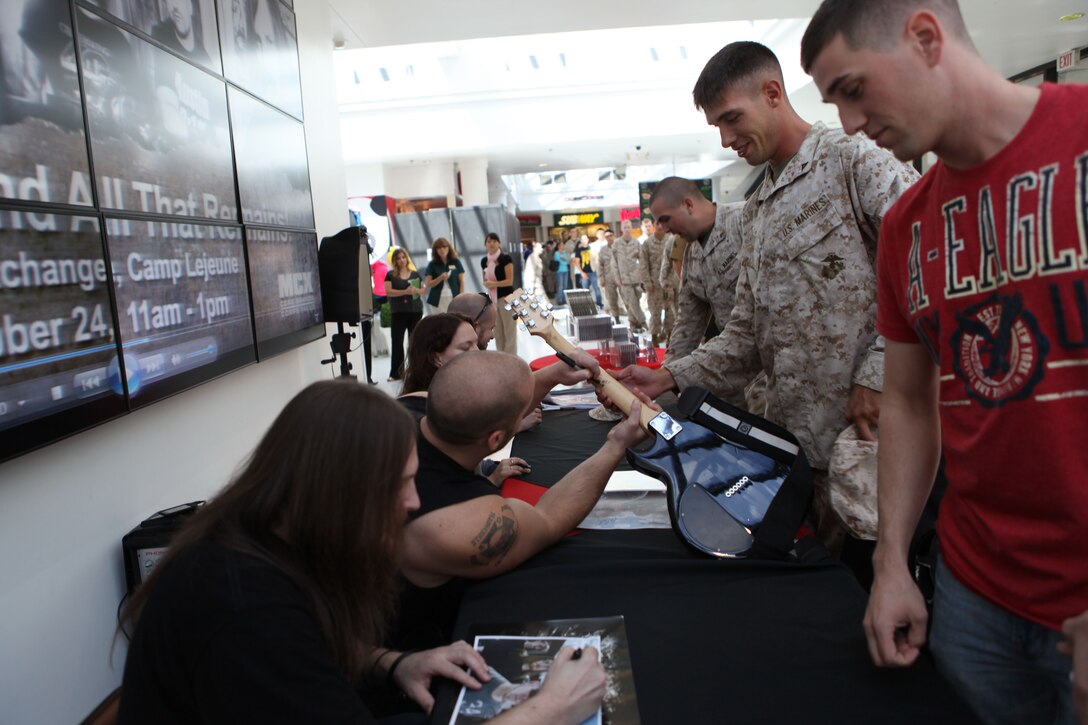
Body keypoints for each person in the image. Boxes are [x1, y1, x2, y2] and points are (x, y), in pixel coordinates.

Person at [801, 2, 1088, 722]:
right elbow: (905, 399)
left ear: (926, 38)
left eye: (854, 89)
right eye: (835, 102)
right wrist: (893, 559)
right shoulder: (906, 225)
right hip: (972, 592)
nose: (850, 124)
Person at [116, 381, 606, 724]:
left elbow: (307, 643)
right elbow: (279, 643)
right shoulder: (244, 607)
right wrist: (550, 710)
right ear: (340, 491)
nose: (414, 502)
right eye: (400, 485)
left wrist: (392, 663)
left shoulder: (265, 536)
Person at [611, 41, 918, 550]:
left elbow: (925, 268)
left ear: (773, 93)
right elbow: (746, 336)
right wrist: (667, 374)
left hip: (869, 442)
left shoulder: (852, 160)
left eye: (733, 118)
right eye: (718, 128)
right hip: (796, 451)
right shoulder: (755, 213)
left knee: (885, 583)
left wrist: (879, 375)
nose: (728, 138)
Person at [396, 351, 650, 650]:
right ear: (495, 441)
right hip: (405, 652)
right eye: (521, 416)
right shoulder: (459, 523)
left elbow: (487, 402)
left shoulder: (407, 409)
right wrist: (616, 445)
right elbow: (548, 518)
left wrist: (552, 375)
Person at [385, 247, 424, 382]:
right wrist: (405, 292)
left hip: (415, 311)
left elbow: (423, 291)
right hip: (398, 312)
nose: (401, 260)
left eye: (403, 257)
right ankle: (396, 373)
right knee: (397, 342)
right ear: (395, 261)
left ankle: (416, 371)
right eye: (398, 258)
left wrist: (416, 290)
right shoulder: (390, 275)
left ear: (406, 259)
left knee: (414, 342)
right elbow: (388, 292)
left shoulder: (415, 274)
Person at [481, 232, 517, 355]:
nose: (491, 244)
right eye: (489, 241)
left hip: (506, 298)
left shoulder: (506, 259)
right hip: (492, 299)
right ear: (485, 244)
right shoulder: (484, 261)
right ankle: (501, 358)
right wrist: (487, 284)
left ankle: (511, 360)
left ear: (499, 243)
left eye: (494, 241)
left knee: (509, 331)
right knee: (497, 332)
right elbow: (485, 280)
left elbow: (509, 281)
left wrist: (493, 284)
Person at [638, 218, 670, 346]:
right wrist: (648, 283)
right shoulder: (647, 243)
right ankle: (655, 337)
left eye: (663, 223)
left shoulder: (671, 240)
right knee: (655, 312)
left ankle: (669, 336)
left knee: (671, 312)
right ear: (653, 226)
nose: (660, 226)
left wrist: (674, 282)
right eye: (657, 224)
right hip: (654, 285)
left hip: (669, 284)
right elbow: (643, 266)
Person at [611, 220, 647, 332]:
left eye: (628, 227)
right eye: (625, 227)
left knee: (634, 302)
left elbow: (642, 261)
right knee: (631, 302)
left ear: (631, 228)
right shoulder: (616, 244)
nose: (627, 229)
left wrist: (643, 277)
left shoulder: (636, 243)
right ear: (622, 229)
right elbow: (614, 263)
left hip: (636, 278)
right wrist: (617, 278)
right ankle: (643, 321)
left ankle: (633, 325)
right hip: (623, 279)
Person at [423, 238, 464, 315]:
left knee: (454, 319)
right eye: (439, 248)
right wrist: (440, 278)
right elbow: (428, 284)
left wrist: (461, 296)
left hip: (453, 296)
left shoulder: (456, 262)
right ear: (436, 251)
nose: (442, 250)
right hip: (437, 299)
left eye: (444, 247)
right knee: (439, 321)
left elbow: (461, 281)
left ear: (449, 248)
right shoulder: (432, 264)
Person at [597, 229, 623, 322]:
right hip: (609, 277)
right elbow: (600, 265)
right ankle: (616, 318)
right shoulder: (603, 250)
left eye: (610, 235)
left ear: (614, 236)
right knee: (612, 299)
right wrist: (601, 278)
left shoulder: (620, 247)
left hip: (621, 277)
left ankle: (632, 318)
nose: (609, 238)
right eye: (607, 236)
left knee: (626, 297)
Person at [573, 233, 603, 307]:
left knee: (596, 289)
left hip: (592, 271)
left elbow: (597, 259)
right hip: (584, 272)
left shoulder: (592, 248)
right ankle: (587, 305)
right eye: (582, 239)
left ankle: (599, 304)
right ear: (580, 241)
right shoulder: (579, 250)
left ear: (588, 240)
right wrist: (582, 273)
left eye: (585, 239)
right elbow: (576, 263)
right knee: (585, 290)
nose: (584, 240)